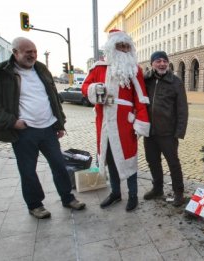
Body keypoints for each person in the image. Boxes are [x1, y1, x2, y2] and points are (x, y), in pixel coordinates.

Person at [0, 37, 86, 219]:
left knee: (59, 165)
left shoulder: (41, 68)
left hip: (48, 128)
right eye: (27, 52)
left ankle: (68, 198)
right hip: (24, 131)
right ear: (15, 53)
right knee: (28, 171)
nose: (32, 55)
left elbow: (53, 97)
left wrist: (59, 123)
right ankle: (35, 205)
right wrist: (12, 122)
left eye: (34, 51)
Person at [82, 29, 150, 212]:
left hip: (125, 124)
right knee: (110, 160)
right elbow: (85, 87)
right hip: (104, 123)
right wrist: (96, 88)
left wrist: (140, 123)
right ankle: (115, 193)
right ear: (112, 47)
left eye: (127, 46)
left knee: (129, 160)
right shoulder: (98, 68)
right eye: (120, 45)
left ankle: (133, 195)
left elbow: (141, 98)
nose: (124, 49)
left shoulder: (135, 70)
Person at [143, 51, 188, 207]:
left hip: (168, 132)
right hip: (149, 132)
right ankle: (157, 188)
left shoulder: (176, 82)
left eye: (164, 61)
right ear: (152, 64)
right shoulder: (146, 81)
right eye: (158, 61)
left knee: (173, 163)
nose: (162, 64)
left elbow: (182, 109)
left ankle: (179, 193)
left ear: (168, 64)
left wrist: (179, 132)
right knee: (152, 161)